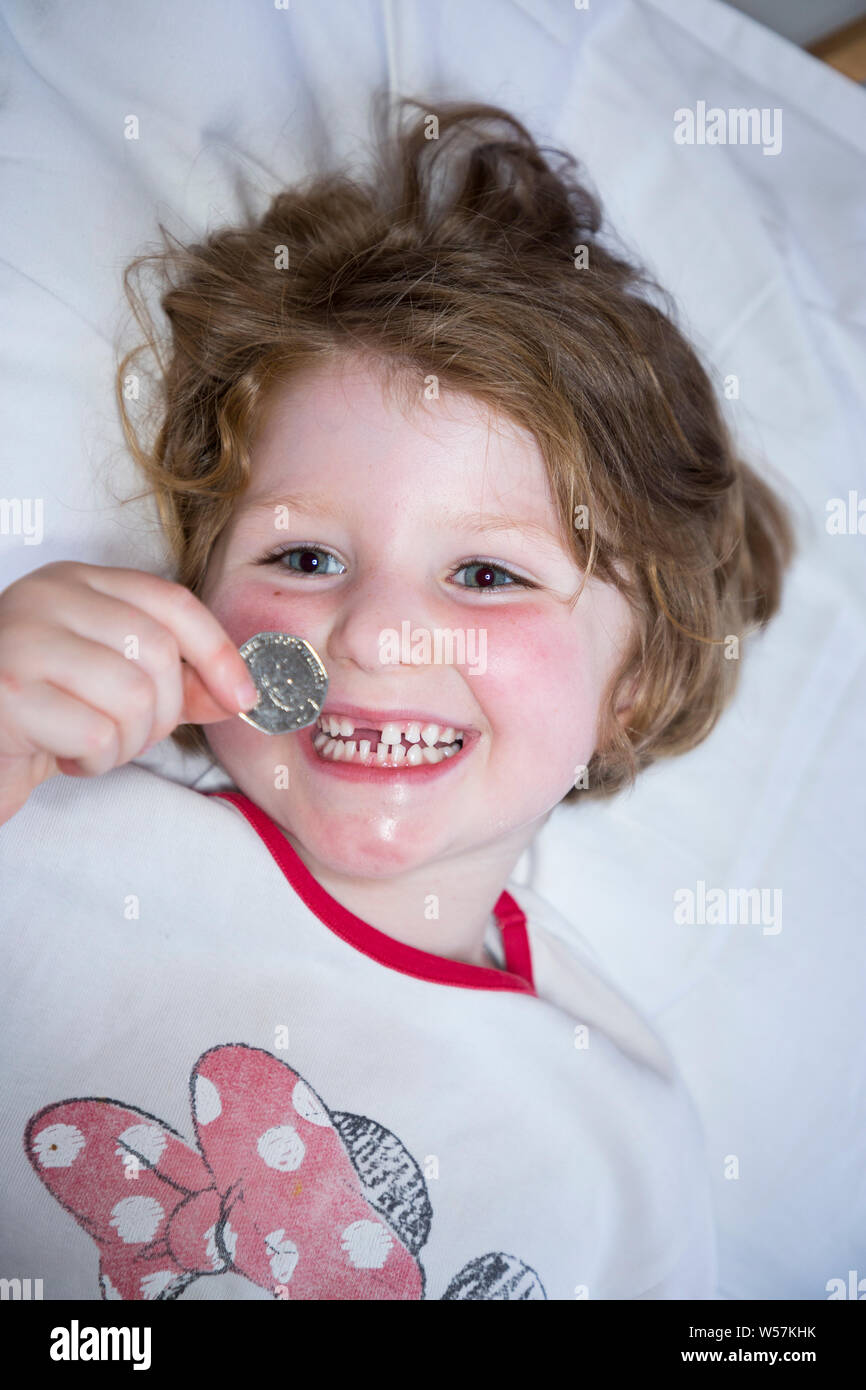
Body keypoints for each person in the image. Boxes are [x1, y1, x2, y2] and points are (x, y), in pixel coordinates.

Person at [0, 96, 796, 1300]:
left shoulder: (622, 1138)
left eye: (486, 573)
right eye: (302, 557)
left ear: (632, 685)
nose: (374, 635)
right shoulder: (48, 827)